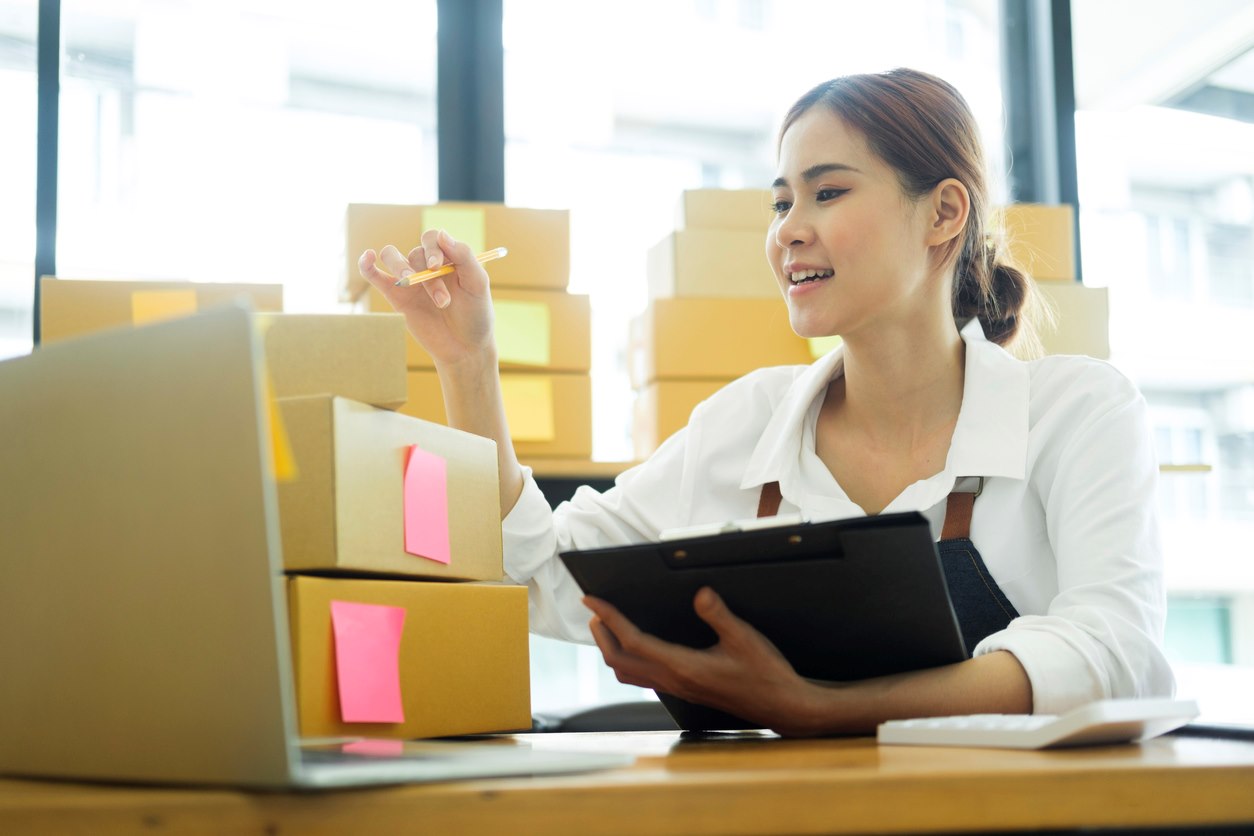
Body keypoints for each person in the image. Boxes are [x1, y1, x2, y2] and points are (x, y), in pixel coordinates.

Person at [359, 68, 1175, 737]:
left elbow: (1115, 654)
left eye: (827, 193)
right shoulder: (746, 423)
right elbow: (541, 572)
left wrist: (821, 710)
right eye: (781, 202)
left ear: (945, 212)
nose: (788, 229)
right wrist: (469, 363)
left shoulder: (1077, 412)